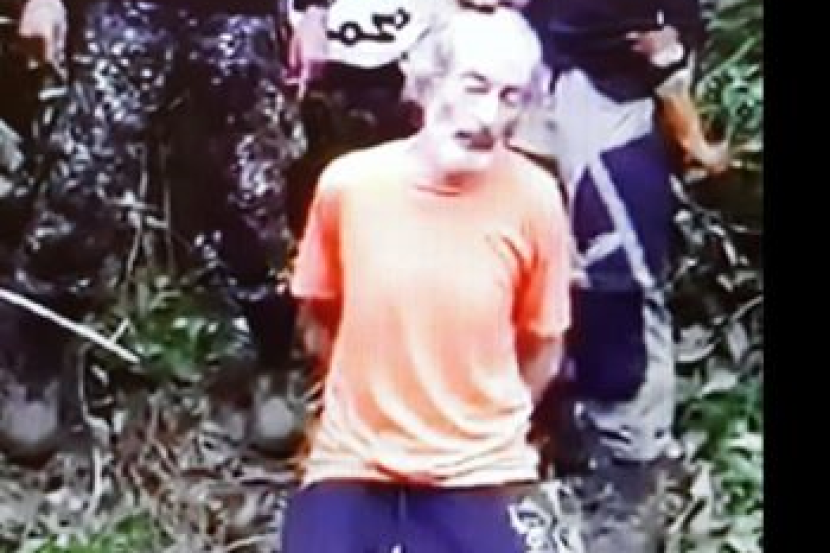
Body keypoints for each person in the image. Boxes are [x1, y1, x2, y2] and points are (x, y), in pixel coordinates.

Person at [282, 7, 572, 552]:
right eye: (474, 87)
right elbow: (319, 320)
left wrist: (472, 424)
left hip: (483, 466)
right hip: (355, 459)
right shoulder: (350, 186)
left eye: (510, 97)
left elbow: (542, 350)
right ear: (427, 83)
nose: (488, 116)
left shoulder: (536, 199)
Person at [0, 0, 307, 460]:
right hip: (125, 13)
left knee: (252, 198)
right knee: (84, 186)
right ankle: (35, 370)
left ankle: (275, 367)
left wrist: (313, 11)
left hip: (240, 14)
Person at [510, 0, 706, 551]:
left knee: (614, 283)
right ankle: (561, 433)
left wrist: (673, 76)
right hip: (525, 62)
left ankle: (635, 468)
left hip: (611, 89)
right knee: (524, 266)